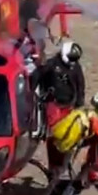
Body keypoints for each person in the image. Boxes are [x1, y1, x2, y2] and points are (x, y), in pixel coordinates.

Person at [32, 40, 86, 177]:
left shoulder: (75, 67)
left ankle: (62, 163)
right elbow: (36, 76)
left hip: (69, 105)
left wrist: (79, 102)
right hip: (53, 105)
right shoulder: (51, 65)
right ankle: (54, 165)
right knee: (55, 135)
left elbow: (80, 84)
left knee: (68, 134)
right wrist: (31, 92)